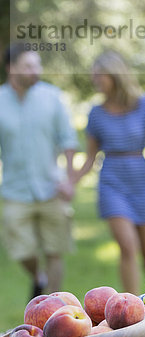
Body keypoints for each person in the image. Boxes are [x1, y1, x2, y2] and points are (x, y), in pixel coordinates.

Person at [72, 51, 145, 295]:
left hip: (141, 178)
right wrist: (71, 182)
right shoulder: (95, 114)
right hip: (112, 182)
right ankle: (133, 307)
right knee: (128, 247)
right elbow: (90, 157)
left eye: (100, 75)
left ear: (116, 75)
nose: (95, 80)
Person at [0, 43, 78, 299]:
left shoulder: (52, 97)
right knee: (22, 251)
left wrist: (69, 179)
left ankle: (53, 303)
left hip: (50, 187)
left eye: (37, 64)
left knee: (55, 250)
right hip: (14, 189)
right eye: (28, 66)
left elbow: (68, 140)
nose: (36, 70)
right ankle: (38, 277)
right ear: (11, 68)